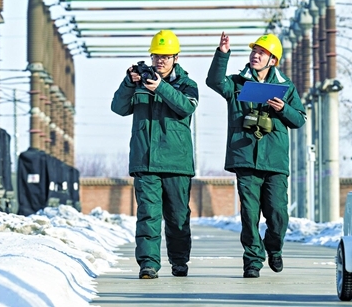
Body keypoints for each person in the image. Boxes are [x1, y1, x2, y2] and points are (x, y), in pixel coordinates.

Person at [206, 32, 306, 279]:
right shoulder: (238, 83)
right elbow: (214, 82)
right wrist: (222, 54)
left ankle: (274, 247)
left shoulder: (286, 87)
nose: (255, 55)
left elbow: (299, 120)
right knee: (249, 214)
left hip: (275, 161)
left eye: (261, 52)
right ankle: (252, 260)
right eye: (254, 51)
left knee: (277, 213)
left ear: (273, 60)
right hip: (246, 157)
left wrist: (283, 109)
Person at [111, 30, 199, 279]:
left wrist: (160, 87)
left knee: (177, 217)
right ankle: (148, 264)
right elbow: (118, 108)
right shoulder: (139, 83)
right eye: (156, 56)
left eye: (165, 56)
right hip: (145, 161)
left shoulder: (187, 85)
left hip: (176, 163)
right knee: (148, 215)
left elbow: (185, 108)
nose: (160, 61)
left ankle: (179, 261)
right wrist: (129, 82)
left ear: (176, 58)